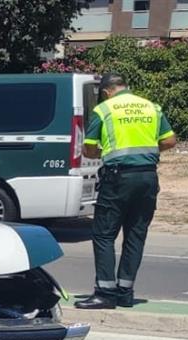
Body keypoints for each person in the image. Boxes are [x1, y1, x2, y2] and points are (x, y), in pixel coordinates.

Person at [75, 73, 178, 310]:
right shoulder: (151, 107)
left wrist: (105, 152)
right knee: (135, 235)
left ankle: (105, 293)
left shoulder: (104, 110)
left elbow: (89, 149)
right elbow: (170, 141)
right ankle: (125, 292)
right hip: (148, 177)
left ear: (106, 92)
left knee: (104, 235)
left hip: (118, 178)